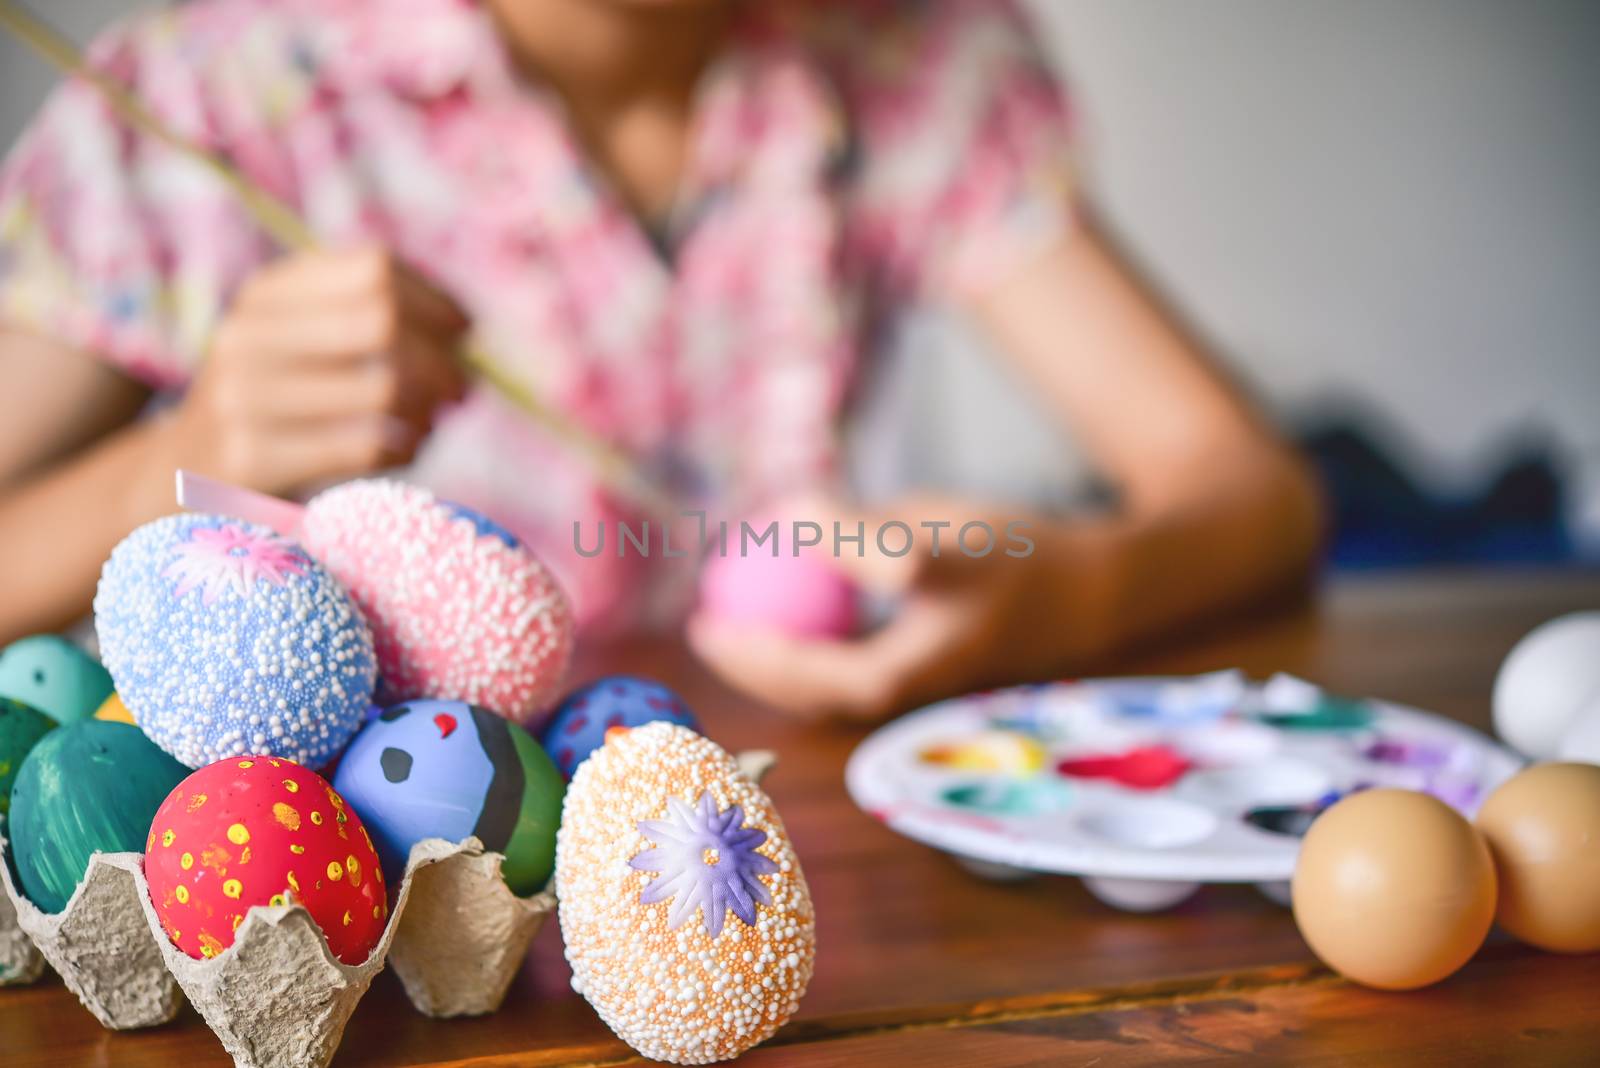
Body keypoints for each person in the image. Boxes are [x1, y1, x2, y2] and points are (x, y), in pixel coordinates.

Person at [0, 0, 1322, 720]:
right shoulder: (213, 96)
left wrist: (1056, 597)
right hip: (365, 873)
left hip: (755, 820)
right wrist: (182, 460)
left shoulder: (908, 51)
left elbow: (1255, 495)